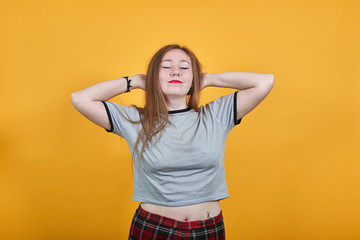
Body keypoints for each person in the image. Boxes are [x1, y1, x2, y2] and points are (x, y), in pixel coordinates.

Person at [71, 44, 274, 239]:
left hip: (208, 228)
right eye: (166, 66)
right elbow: (80, 99)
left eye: (185, 68)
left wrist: (210, 79)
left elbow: (265, 81)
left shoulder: (216, 115)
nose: (175, 72)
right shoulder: (134, 120)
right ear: (153, 77)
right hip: (153, 228)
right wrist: (135, 81)